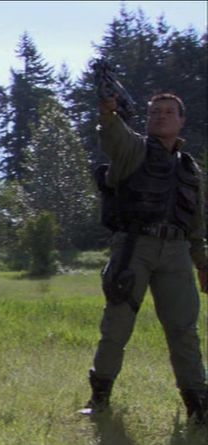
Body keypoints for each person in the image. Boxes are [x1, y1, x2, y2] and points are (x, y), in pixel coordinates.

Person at [81, 93, 208, 425]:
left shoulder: (189, 167)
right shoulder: (133, 149)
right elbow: (112, 135)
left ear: (182, 120)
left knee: (184, 330)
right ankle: (99, 398)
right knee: (117, 325)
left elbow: (195, 221)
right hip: (135, 246)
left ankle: (198, 405)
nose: (160, 116)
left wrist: (202, 262)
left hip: (177, 251)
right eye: (154, 112)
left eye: (168, 112)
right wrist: (107, 113)